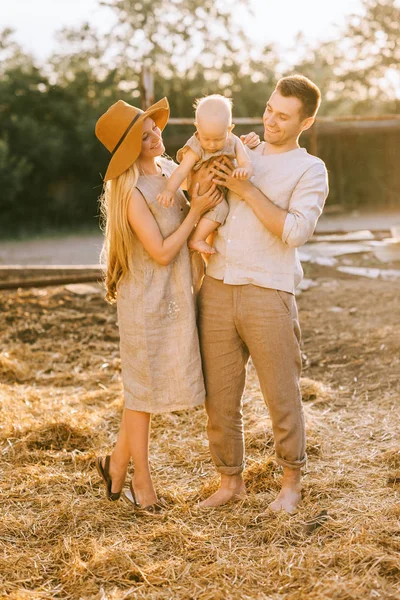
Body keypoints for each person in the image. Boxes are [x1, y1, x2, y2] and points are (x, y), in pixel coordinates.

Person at [198, 75, 329, 513]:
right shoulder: (243, 148)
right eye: (270, 109)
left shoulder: (310, 169)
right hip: (217, 284)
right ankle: (230, 481)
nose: (271, 119)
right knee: (219, 396)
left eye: (283, 116)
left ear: (305, 122)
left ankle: (291, 482)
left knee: (281, 392)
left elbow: (294, 231)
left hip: (268, 290)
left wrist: (246, 189)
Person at [94, 97, 223, 511]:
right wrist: (197, 210)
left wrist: (245, 144)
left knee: (143, 391)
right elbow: (163, 251)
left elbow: (207, 162)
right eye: (144, 136)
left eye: (154, 129)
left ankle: (116, 464)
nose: (156, 138)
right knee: (142, 396)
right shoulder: (131, 191)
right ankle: (141, 484)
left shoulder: (169, 170)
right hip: (146, 300)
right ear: (128, 148)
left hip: (174, 294)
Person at [156, 94, 253, 255]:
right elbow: (181, 171)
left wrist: (244, 171)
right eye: (206, 138)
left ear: (229, 130)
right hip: (202, 190)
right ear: (197, 129)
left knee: (227, 211)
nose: (212, 144)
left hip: (219, 190)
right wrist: (169, 190)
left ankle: (207, 243)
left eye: (218, 139)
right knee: (221, 209)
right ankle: (197, 239)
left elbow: (246, 162)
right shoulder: (196, 146)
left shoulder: (234, 141)